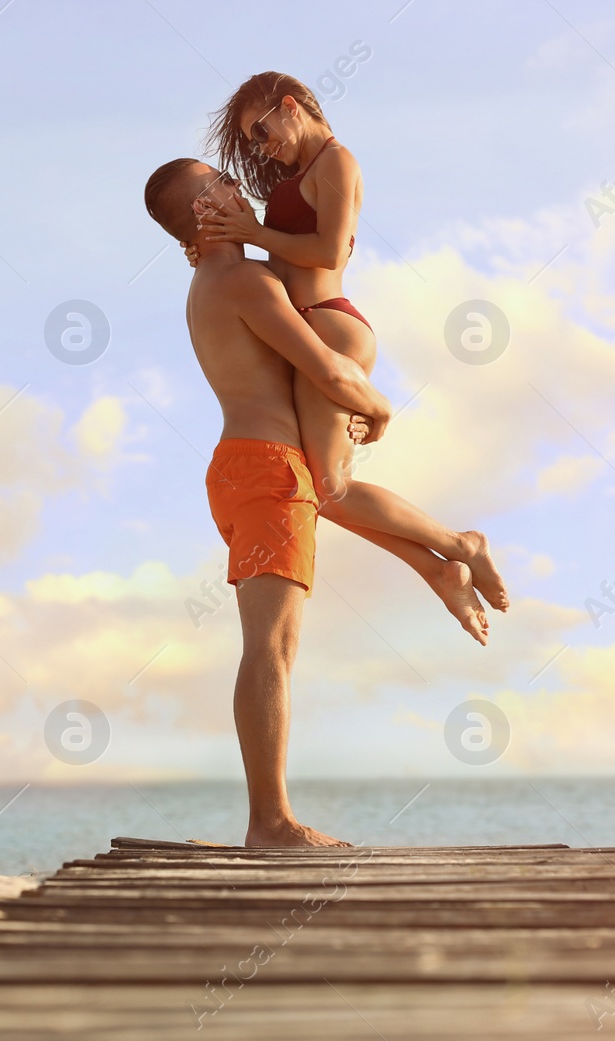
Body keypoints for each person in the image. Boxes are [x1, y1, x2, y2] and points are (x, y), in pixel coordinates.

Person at [190, 71, 508, 646]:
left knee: (330, 488)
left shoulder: (337, 161)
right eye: (253, 141)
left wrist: (252, 234)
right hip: (311, 333)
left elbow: (329, 250)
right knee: (323, 492)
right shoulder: (301, 175)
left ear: (291, 106)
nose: (263, 147)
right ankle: (441, 568)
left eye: (262, 131)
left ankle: (462, 548)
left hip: (331, 328)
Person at [144, 157, 390, 847]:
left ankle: (268, 818)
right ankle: (271, 822)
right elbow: (324, 367)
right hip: (269, 471)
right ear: (201, 214)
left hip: (245, 469)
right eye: (219, 184)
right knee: (271, 648)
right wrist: (380, 407)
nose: (235, 187)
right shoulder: (245, 281)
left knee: (275, 645)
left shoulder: (214, 281)